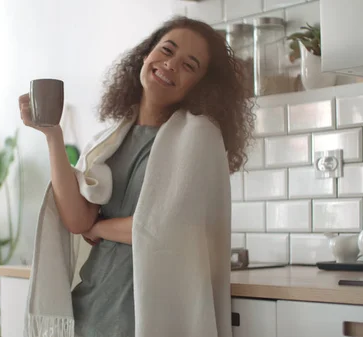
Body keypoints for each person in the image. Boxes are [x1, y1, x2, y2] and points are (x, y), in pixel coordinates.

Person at [19, 16, 253, 337]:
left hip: (144, 315)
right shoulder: (112, 138)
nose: (170, 64)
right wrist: (52, 135)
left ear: (201, 84)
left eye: (189, 65)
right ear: (146, 55)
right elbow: (76, 219)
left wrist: (99, 226)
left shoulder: (199, 137)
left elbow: (165, 227)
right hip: (91, 308)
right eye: (166, 50)